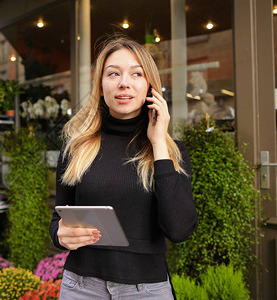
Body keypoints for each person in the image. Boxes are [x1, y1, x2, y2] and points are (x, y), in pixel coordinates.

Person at [49, 37, 198, 299]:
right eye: (113, 73)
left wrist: (158, 143)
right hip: (81, 287)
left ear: (150, 86)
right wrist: (59, 235)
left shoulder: (172, 151)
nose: (124, 83)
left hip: (146, 289)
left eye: (136, 73)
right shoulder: (76, 147)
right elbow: (58, 220)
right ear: (101, 85)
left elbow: (179, 230)